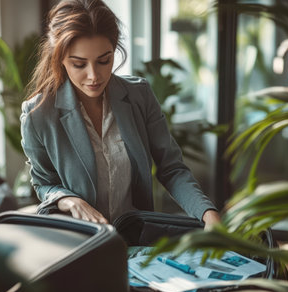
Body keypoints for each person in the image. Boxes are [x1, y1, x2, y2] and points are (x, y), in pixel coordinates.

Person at [20, 0, 220, 229]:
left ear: (115, 51)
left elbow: (171, 168)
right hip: (82, 243)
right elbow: (45, 183)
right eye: (79, 64)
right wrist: (67, 199)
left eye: (104, 61)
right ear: (60, 59)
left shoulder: (139, 95)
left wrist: (208, 213)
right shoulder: (38, 114)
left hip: (138, 239)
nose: (93, 75)